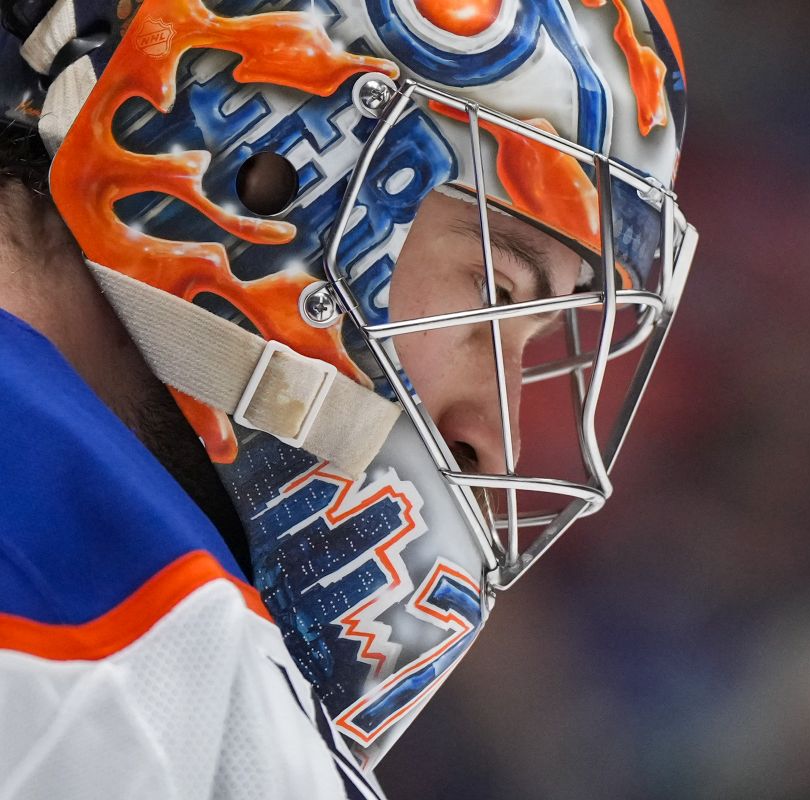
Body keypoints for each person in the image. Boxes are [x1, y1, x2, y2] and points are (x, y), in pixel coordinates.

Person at [0, 0, 696, 797]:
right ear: (260, 170)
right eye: (493, 290)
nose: (494, 438)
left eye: (528, 340)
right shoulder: (137, 640)